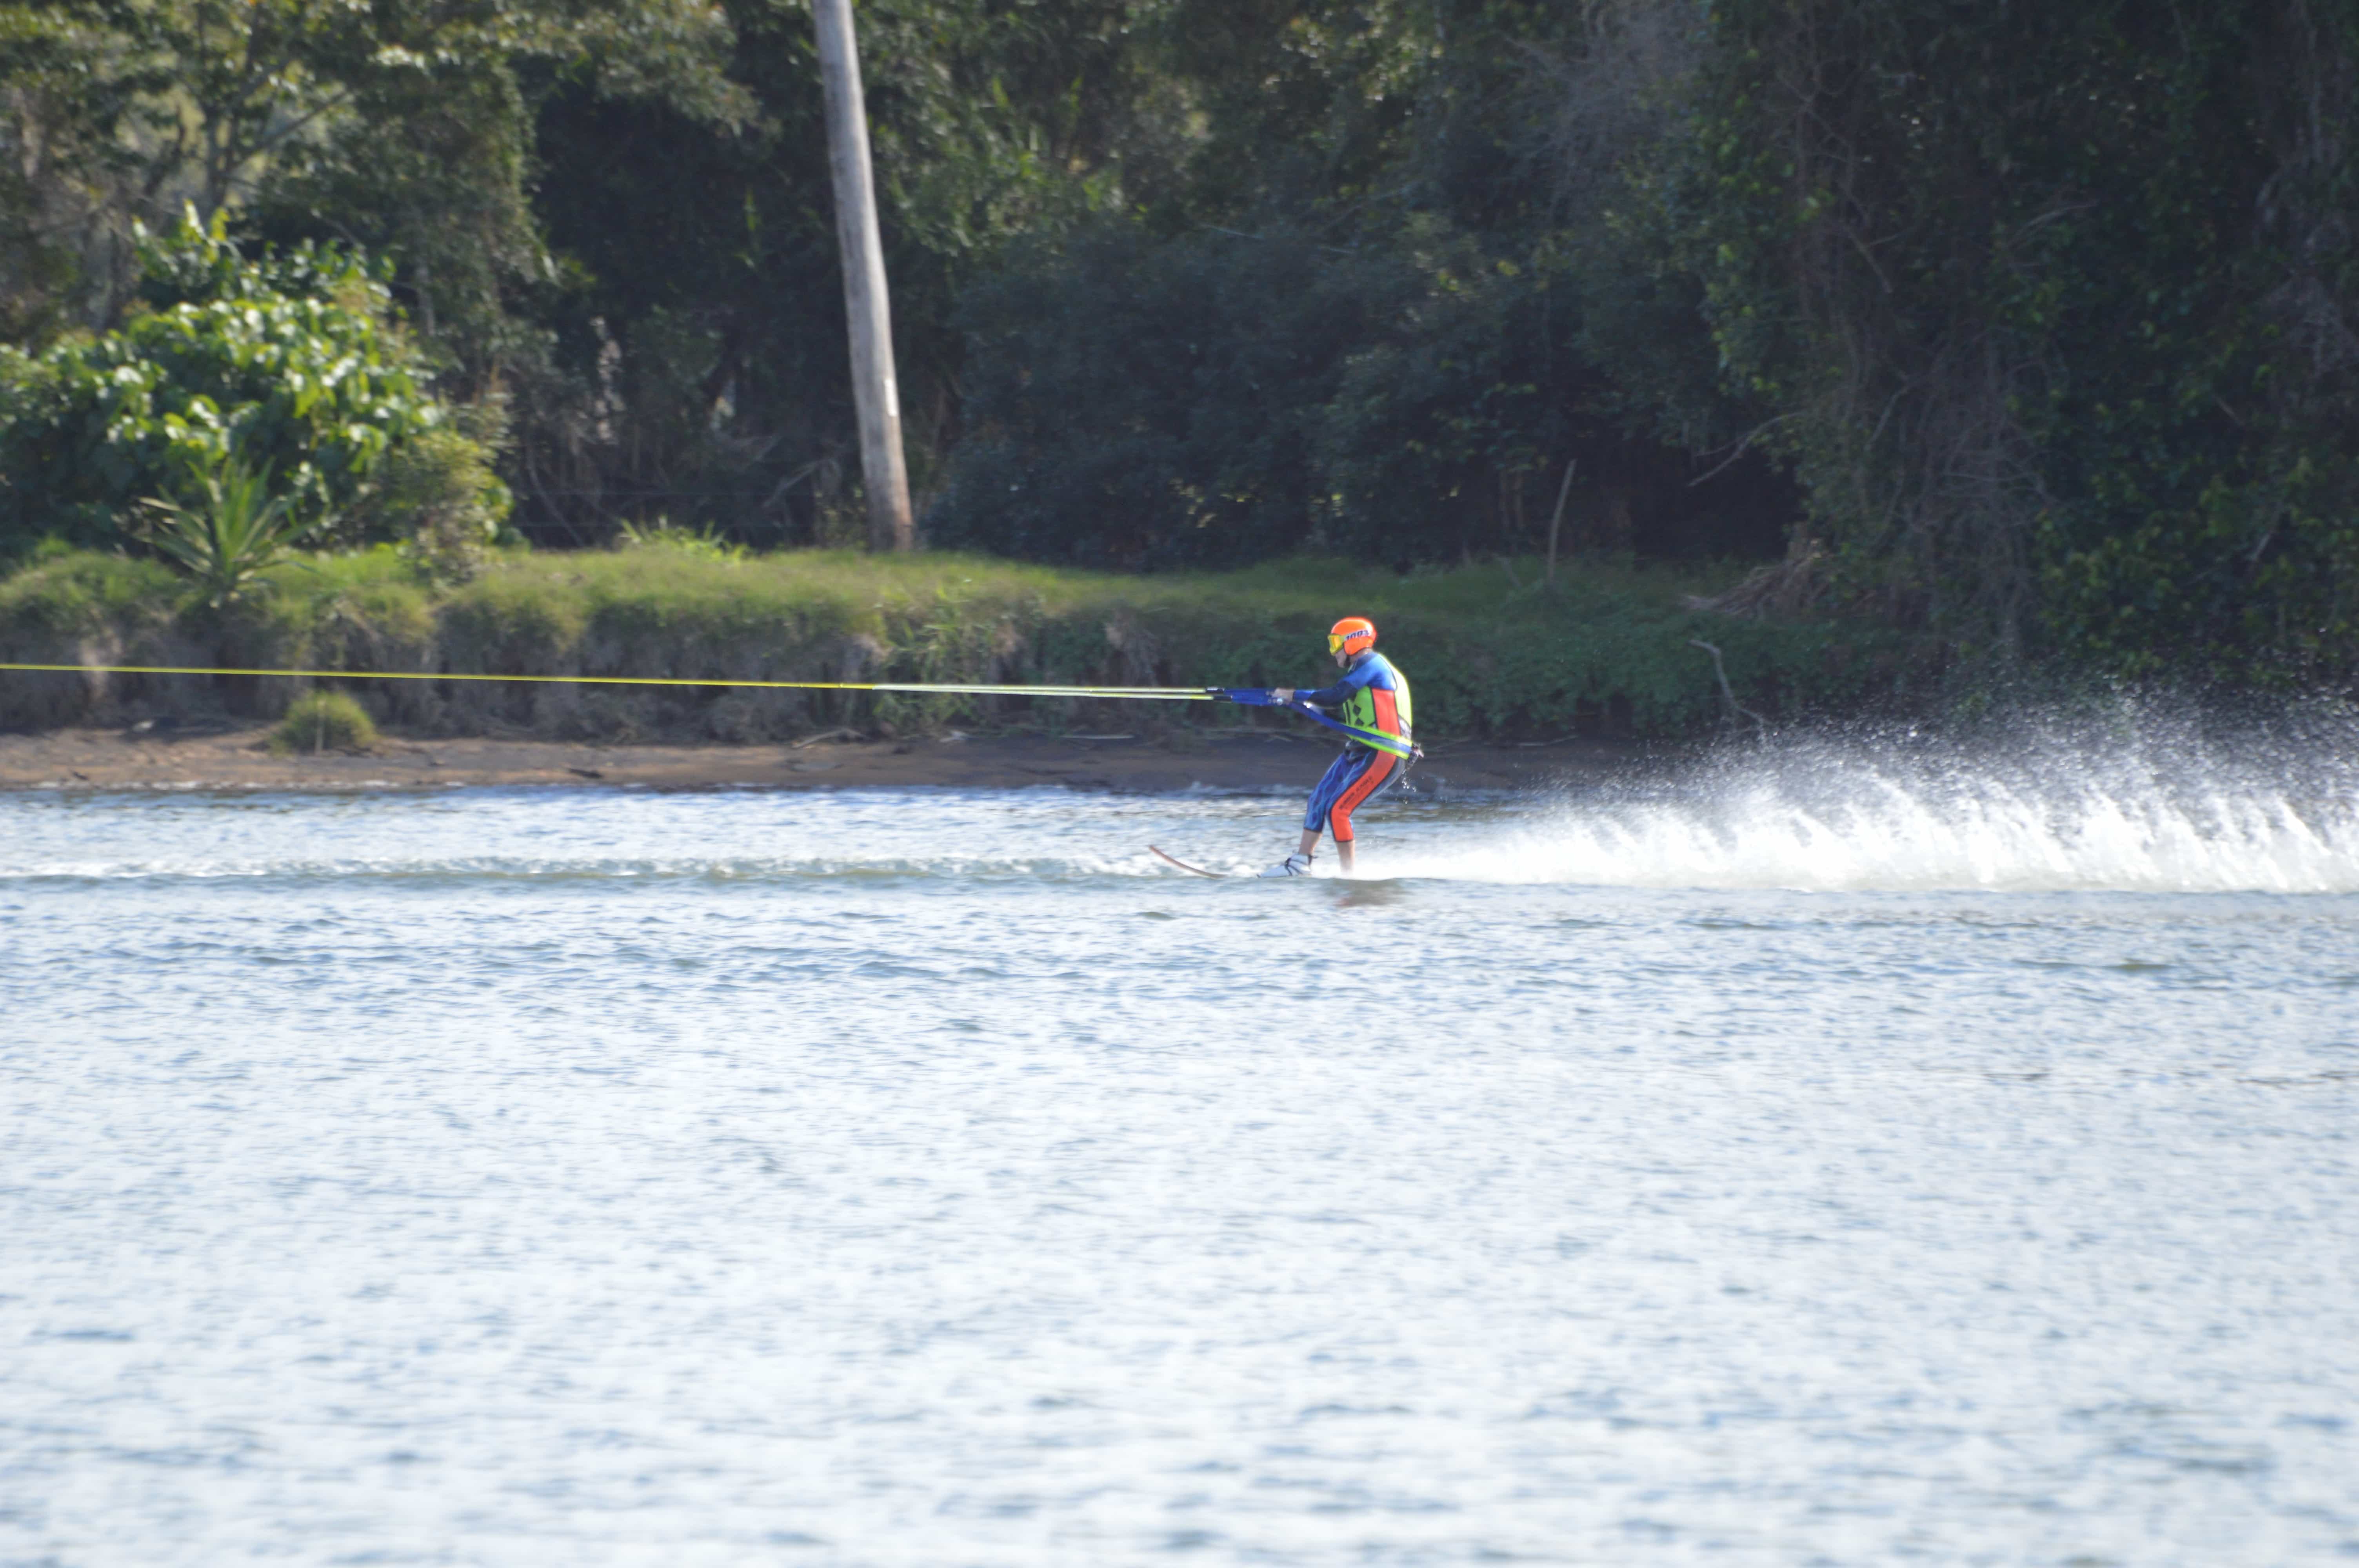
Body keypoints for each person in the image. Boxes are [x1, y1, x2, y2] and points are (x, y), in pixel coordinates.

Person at [1264, 617, 1414, 877]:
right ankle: (1300, 863)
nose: (1333, 652)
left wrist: (1295, 695)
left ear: (1354, 641)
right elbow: (1338, 709)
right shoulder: (1358, 673)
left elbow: (1335, 696)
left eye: (1336, 644)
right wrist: (1300, 704)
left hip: (1384, 754)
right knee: (1319, 801)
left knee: (1338, 810)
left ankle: (1349, 877)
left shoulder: (1372, 664)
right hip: (1360, 750)